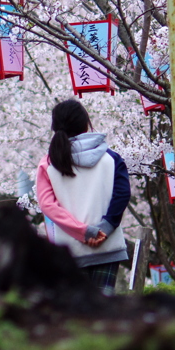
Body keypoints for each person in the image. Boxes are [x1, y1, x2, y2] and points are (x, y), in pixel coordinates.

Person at [36, 99, 131, 295]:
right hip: (108, 248)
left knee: (75, 314)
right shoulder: (111, 159)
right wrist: (103, 229)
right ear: (86, 123)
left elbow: (47, 206)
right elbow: (122, 194)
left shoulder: (48, 164)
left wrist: (84, 231)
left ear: (55, 127)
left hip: (68, 253)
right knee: (103, 311)